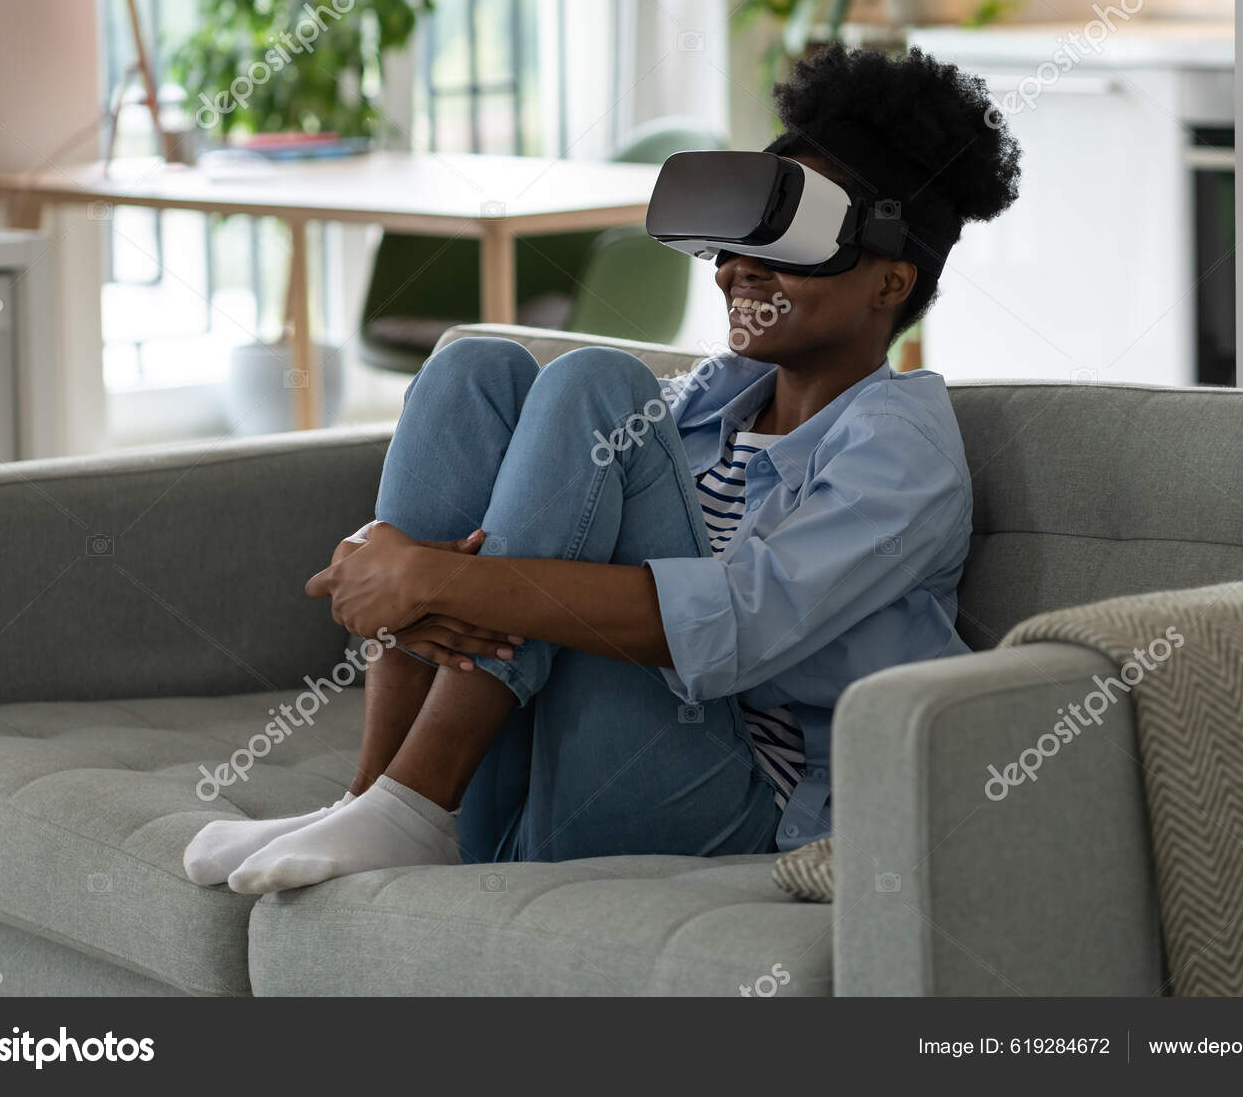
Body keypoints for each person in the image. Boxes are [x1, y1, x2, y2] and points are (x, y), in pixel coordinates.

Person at [184, 44, 1022, 893]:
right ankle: (376, 799)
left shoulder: (901, 449)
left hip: (733, 811)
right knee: (476, 369)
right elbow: (541, 500)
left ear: (892, 282)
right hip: (559, 768)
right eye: (733, 242)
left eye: (788, 240)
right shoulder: (706, 403)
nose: (737, 268)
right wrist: (391, 556)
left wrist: (432, 579)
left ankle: (412, 801)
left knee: (595, 381)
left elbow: (734, 626)